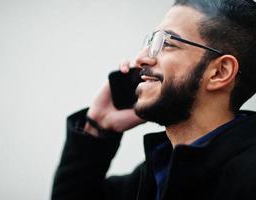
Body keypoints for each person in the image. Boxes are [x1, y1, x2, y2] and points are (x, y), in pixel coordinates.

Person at [52, 0, 256, 199]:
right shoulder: (155, 174)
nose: (140, 58)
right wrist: (98, 127)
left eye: (166, 43)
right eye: (151, 41)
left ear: (219, 72)